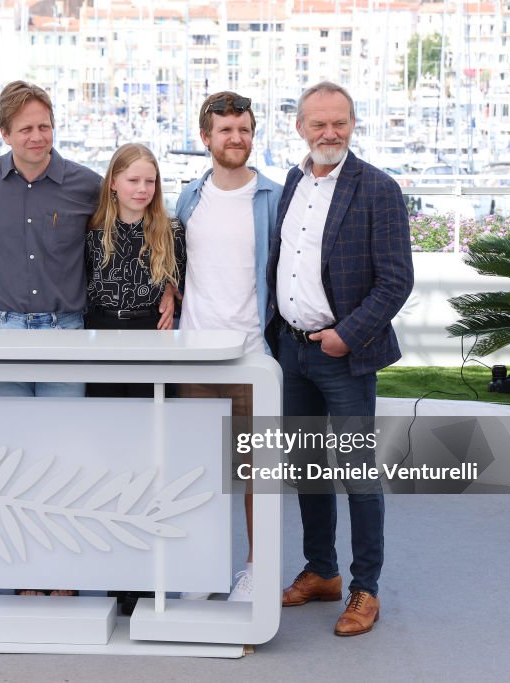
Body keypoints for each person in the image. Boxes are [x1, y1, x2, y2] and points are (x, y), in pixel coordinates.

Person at [265, 81, 413, 636]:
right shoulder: (292, 182)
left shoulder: (378, 189)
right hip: (291, 351)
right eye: (318, 123)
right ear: (300, 126)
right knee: (306, 469)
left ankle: (365, 589)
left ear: (353, 125)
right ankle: (322, 571)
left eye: (340, 123)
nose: (330, 133)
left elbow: (397, 279)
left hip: (341, 354)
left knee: (356, 473)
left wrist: (345, 335)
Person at [175, 91, 282, 602]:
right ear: (206, 138)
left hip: (254, 357)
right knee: (199, 473)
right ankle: (199, 568)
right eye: (225, 130)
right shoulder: (189, 200)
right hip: (195, 359)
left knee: (256, 477)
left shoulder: (275, 199)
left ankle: (257, 570)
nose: (235, 138)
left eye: (243, 129)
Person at [0, 80, 101, 397]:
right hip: (0, 329)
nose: (37, 137)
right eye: (26, 129)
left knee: (63, 438)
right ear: (5, 133)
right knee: (9, 440)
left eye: (44, 126)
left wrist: (166, 284)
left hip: (65, 330)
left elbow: (139, 224)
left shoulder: (87, 184)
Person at [85, 142, 184, 399]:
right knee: (104, 414)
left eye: (150, 181)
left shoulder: (171, 230)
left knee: (152, 413)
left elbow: (181, 281)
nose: (142, 189)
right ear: (113, 183)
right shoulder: (93, 230)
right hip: (100, 332)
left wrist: (171, 292)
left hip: (151, 331)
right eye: (133, 180)